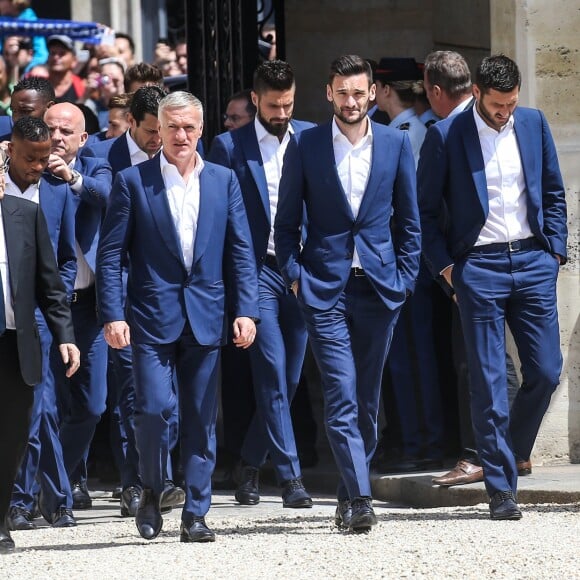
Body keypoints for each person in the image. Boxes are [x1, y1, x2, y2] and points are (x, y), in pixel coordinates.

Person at [97, 90, 259, 543]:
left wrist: (247, 310)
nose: (181, 135)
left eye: (189, 127)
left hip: (207, 315)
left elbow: (241, 252)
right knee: (152, 410)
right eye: (173, 127)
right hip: (150, 318)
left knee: (201, 419)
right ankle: (151, 491)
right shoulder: (133, 181)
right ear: (158, 131)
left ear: (200, 129)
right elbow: (111, 257)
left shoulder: (224, 180)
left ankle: (196, 512)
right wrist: (112, 312)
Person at [274, 55, 421, 532]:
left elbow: (410, 222)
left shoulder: (396, 145)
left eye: (360, 93)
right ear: (328, 93)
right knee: (340, 393)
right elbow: (286, 223)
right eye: (343, 93)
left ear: (373, 93)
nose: (352, 101)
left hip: (380, 288)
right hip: (324, 290)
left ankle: (345, 491)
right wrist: (296, 276)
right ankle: (359, 499)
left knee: (367, 402)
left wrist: (404, 278)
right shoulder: (307, 144)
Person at [418, 54, 567, 520]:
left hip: (531, 260)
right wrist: (447, 271)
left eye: (512, 103)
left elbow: (554, 191)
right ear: (478, 93)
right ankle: (502, 489)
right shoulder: (445, 135)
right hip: (477, 267)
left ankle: (508, 451)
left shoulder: (533, 123)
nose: (505, 111)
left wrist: (555, 252)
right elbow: (423, 215)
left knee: (545, 370)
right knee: (486, 381)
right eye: (498, 103)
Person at [208, 60, 314, 508]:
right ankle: (290, 479)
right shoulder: (228, 146)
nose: (282, 112)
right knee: (270, 371)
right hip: (255, 273)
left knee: (289, 379)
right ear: (255, 100)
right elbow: (218, 221)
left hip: (302, 270)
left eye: (288, 104)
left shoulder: (312, 137)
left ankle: (249, 461)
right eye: (273, 105)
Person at [82, 85, 184, 519]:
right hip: (125, 292)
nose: (158, 140)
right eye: (149, 132)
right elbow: (106, 244)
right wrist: (112, 309)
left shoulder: (184, 157)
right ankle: (135, 482)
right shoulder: (105, 159)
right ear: (131, 123)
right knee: (130, 392)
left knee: (168, 396)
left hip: (172, 295)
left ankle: (161, 474)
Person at [0, 120, 80, 554]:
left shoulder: (30, 211)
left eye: (41, 157)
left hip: (20, 334)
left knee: (19, 426)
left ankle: (8, 516)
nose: (36, 166)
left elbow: (53, 278)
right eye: (26, 157)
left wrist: (63, 331)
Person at [41, 102, 113, 513]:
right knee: (46, 406)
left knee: (91, 405)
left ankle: (54, 479)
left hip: (88, 308)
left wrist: (71, 177)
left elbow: (105, 195)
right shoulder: (29, 172)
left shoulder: (96, 164)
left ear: (83, 138)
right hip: (48, 307)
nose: (57, 137)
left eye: (66, 131)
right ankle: (53, 494)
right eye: (51, 128)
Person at [46, 35, 85, 104]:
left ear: (74, 61)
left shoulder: (82, 87)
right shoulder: (38, 87)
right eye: (53, 53)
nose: (56, 57)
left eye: (62, 54)